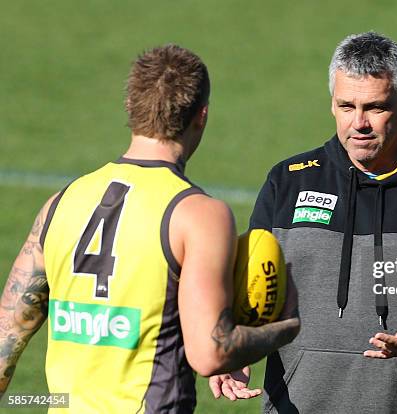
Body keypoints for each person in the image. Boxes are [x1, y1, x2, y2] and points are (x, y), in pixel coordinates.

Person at [220, 32, 397, 412]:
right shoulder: (289, 181)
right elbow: (252, 286)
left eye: (375, 107)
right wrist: (236, 347)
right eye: (346, 106)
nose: (359, 123)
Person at [0, 44, 299, 413]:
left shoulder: (61, 203)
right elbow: (210, 353)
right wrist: (286, 326)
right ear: (201, 116)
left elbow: (7, 338)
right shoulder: (198, 214)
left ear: (131, 108)